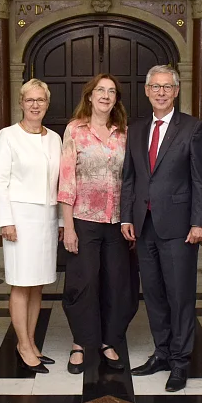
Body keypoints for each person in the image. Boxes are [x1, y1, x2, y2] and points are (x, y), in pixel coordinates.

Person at [120, 65, 202, 392]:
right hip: (143, 226)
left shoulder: (193, 128)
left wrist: (200, 221)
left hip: (179, 226)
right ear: (147, 91)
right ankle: (161, 352)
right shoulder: (137, 128)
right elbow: (129, 177)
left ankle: (180, 360)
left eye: (166, 87)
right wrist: (126, 217)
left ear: (176, 90)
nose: (160, 92)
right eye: (155, 87)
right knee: (155, 295)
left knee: (180, 295)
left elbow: (201, 179)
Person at [58, 74, 136, 374]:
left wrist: (130, 219)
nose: (105, 95)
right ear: (89, 96)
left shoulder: (124, 133)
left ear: (116, 99)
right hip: (84, 219)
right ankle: (80, 343)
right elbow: (66, 179)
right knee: (83, 282)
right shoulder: (75, 131)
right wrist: (68, 226)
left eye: (112, 91)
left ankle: (108, 340)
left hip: (117, 222)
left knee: (117, 284)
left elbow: (131, 180)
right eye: (100, 90)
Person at [0, 78, 63, 373]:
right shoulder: (8, 136)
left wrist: (59, 220)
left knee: (38, 285)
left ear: (47, 104)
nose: (35, 105)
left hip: (46, 219)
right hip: (19, 220)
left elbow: (60, 184)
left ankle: (32, 341)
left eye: (41, 100)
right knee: (21, 284)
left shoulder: (55, 138)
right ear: (21, 103)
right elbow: (0, 181)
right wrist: (5, 222)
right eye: (30, 100)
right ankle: (22, 344)